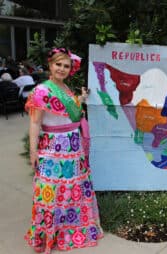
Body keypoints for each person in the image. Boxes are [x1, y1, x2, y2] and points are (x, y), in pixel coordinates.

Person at [24, 47, 104, 253]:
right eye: (58, 64)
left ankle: (71, 229)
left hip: (73, 147)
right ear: (50, 66)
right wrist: (33, 152)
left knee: (71, 192)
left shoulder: (67, 89)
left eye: (66, 66)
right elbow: (35, 123)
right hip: (53, 148)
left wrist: (82, 99)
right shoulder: (42, 91)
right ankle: (52, 233)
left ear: (70, 69)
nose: (62, 68)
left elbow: (72, 113)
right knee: (52, 193)